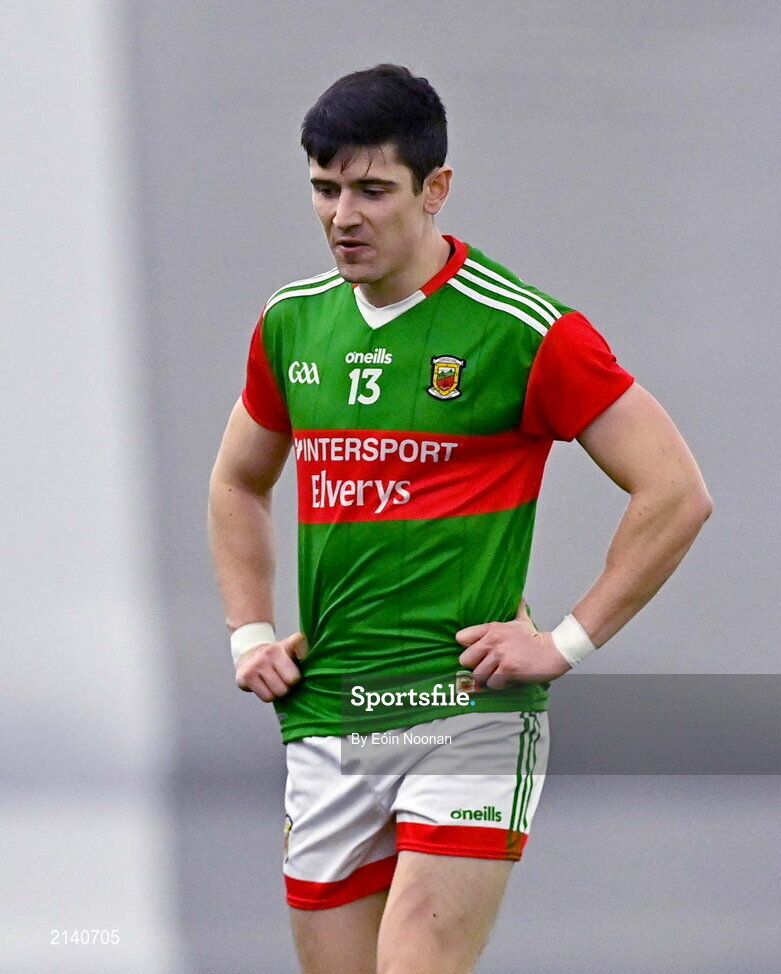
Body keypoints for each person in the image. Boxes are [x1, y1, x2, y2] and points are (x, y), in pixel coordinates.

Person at [208, 64, 712, 974]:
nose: (342, 217)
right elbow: (238, 482)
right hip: (330, 709)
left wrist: (563, 643)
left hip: (465, 713)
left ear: (434, 188)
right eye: (324, 189)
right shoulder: (291, 323)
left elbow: (674, 490)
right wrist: (249, 633)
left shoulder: (521, 330)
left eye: (371, 189)